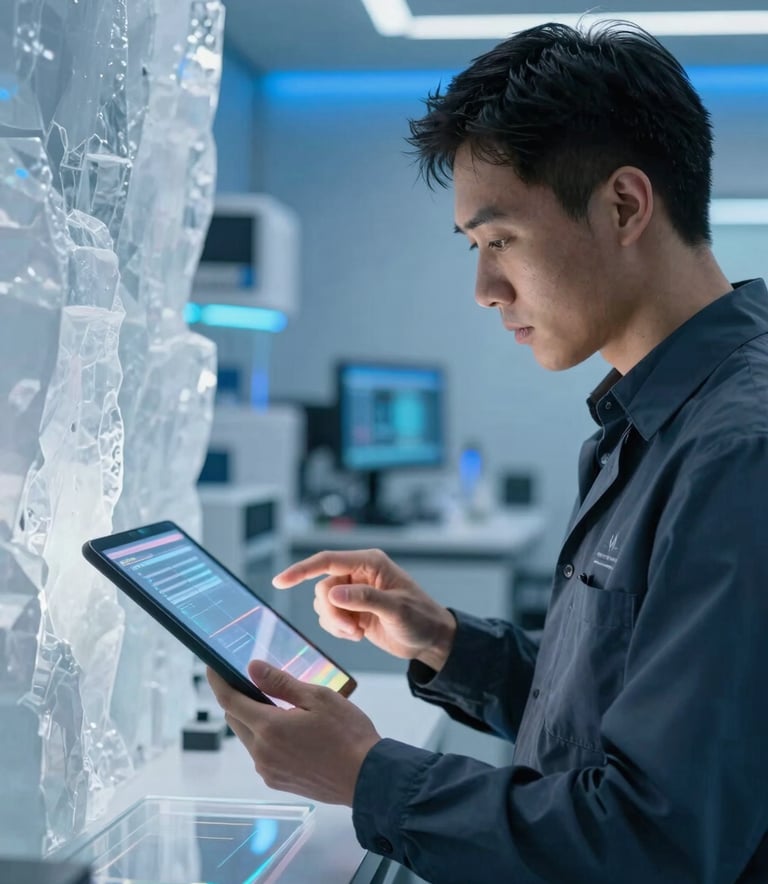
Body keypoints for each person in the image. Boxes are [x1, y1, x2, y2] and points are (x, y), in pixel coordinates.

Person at [207, 20, 768, 883]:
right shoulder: (651, 418)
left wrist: (368, 776)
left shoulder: (739, 453)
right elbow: (627, 715)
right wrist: (445, 641)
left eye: (500, 240)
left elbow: (656, 843)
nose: (484, 290)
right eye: (475, 250)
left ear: (624, 205)